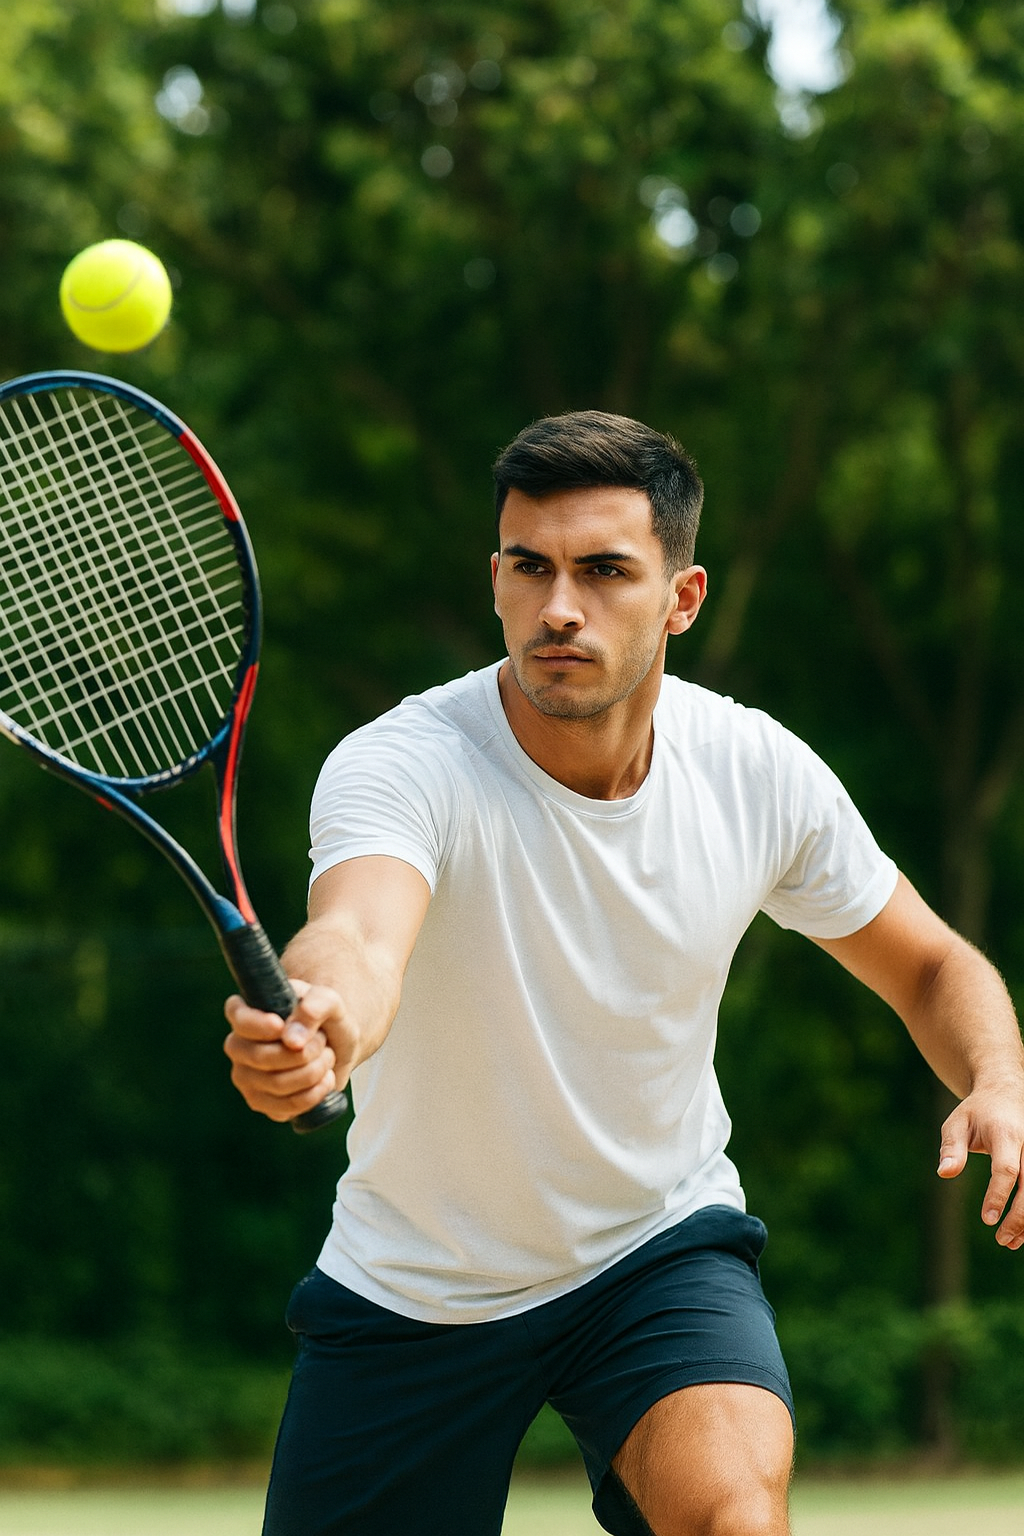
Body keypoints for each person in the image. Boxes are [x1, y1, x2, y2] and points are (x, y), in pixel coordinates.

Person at [224, 411, 1024, 1536]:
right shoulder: (403, 763)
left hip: (653, 1251)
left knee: (732, 1518)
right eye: (529, 567)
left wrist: (995, 1076)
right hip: (419, 1280)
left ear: (681, 599)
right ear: (494, 580)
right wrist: (323, 1020)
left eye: (604, 571)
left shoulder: (753, 770)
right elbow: (357, 938)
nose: (559, 607)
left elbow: (933, 962)